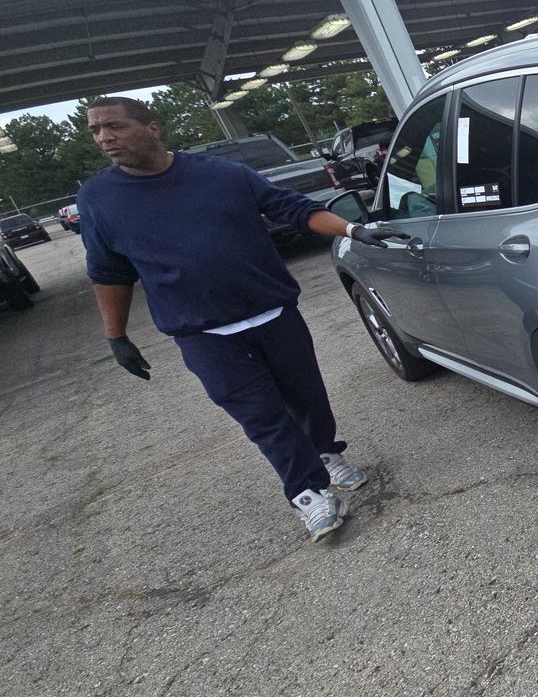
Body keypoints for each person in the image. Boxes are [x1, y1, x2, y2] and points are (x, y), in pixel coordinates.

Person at [77, 97, 400, 541]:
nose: (104, 138)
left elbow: (294, 208)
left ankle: (323, 453)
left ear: (151, 128)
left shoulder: (220, 175)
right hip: (202, 333)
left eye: (114, 126)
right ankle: (307, 493)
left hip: (272, 314)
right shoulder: (98, 198)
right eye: (95, 131)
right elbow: (108, 270)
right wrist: (116, 335)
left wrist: (353, 229)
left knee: (307, 399)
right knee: (262, 416)